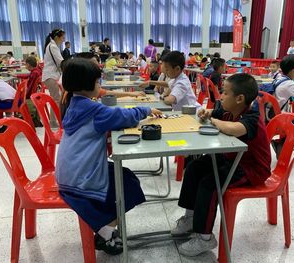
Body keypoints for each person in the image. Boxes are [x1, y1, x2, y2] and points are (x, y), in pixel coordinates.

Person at [55, 57, 162, 255]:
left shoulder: (74, 104)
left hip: (68, 173)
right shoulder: (93, 110)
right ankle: (105, 231)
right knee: (128, 186)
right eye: (97, 82)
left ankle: (105, 227)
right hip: (82, 178)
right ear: (87, 85)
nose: (100, 85)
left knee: (125, 175)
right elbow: (124, 117)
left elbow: (112, 118)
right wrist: (146, 110)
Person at [172, 74, 271, 257]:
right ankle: (190, 217)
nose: (220, 97)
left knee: (210, 185)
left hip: (251, 169)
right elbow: (213, 112)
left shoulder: (252, 118)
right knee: (194, 167)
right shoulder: (227, 110)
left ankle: (204, 238)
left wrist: (214, 121)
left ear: (240, 98)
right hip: (231, 158)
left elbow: (232, 129)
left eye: (225, 93)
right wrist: (208, 113)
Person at [60, 53, 145, 119]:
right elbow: (119, 116)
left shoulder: (74, 98)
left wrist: (131, 94)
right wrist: (145, 111)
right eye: (97, 82)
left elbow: (105, 93)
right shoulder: (91, 108)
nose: (98, 65)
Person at [42, 28, 65, 127]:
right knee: (57, 99)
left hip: (50, 75)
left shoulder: (51, 46)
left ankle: (53, 121)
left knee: (56, 99)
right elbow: (60, 61)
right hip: (50, 75)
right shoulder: (53, 46)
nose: (63, 40)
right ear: (56, 37)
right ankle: (54, 122)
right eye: (62, 38)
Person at [25, 56, 43, 126]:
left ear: (28, 64)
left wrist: (24, 96)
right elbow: (28, 77)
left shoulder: (34, 73)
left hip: (31, 96)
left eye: (25, 64)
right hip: (36, 94)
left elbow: (29, 88)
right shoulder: (37, 71)